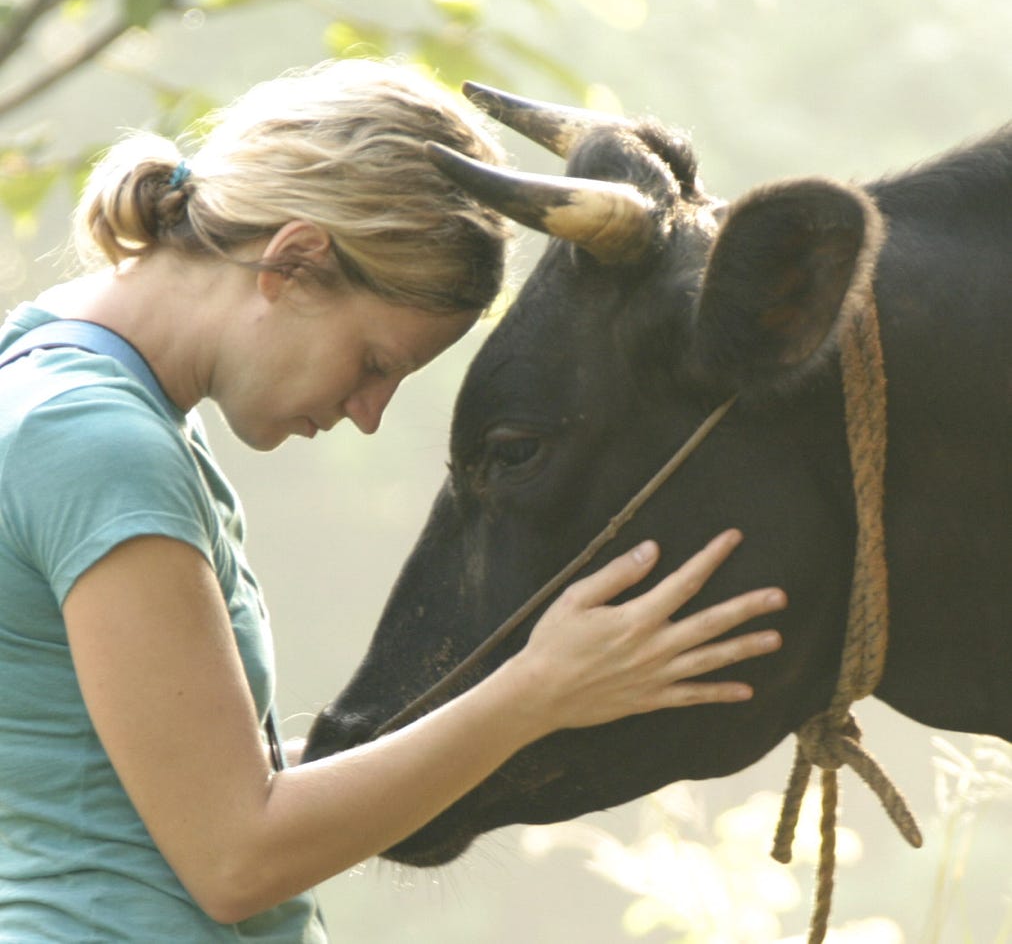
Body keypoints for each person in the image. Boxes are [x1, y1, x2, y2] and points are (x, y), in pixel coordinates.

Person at [0, 59, 786, 942]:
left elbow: (156, 798)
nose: (367, 416)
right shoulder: (98, 442)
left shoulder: (68, 394)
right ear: (294, 263)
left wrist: (558, 704)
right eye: (375, 364)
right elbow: (234, 859)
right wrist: (536, 689)